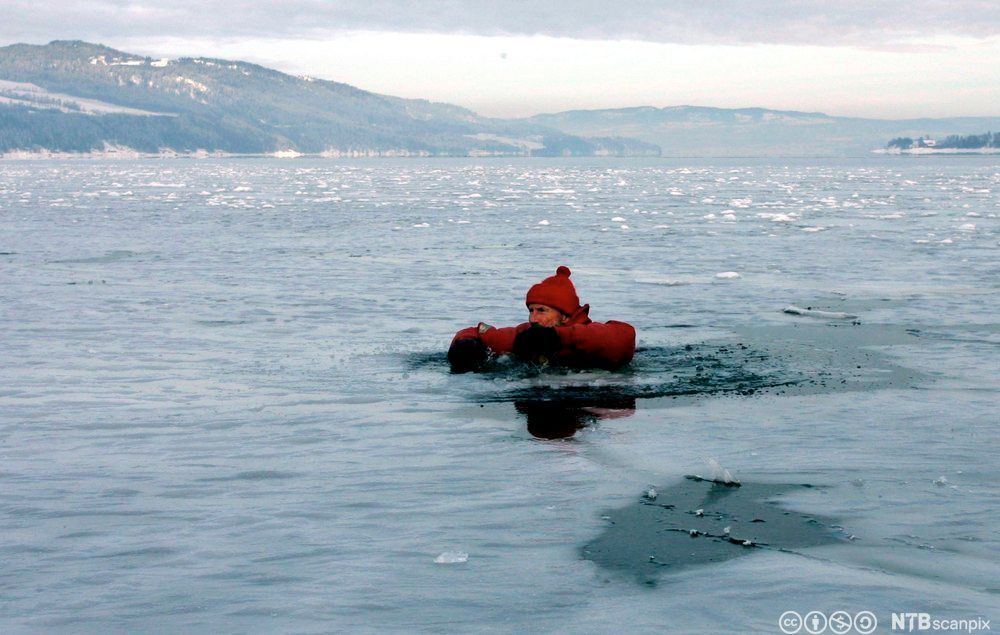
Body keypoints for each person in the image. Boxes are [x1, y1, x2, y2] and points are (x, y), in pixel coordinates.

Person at [448, 266, 636, 372]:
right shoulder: (527, 335)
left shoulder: (593, 334)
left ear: (564, 315)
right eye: (531, 310)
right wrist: (465, 341)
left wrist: (556, 337)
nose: (533, 318)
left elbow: (624, 337)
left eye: (542, 310)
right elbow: (482, 332)